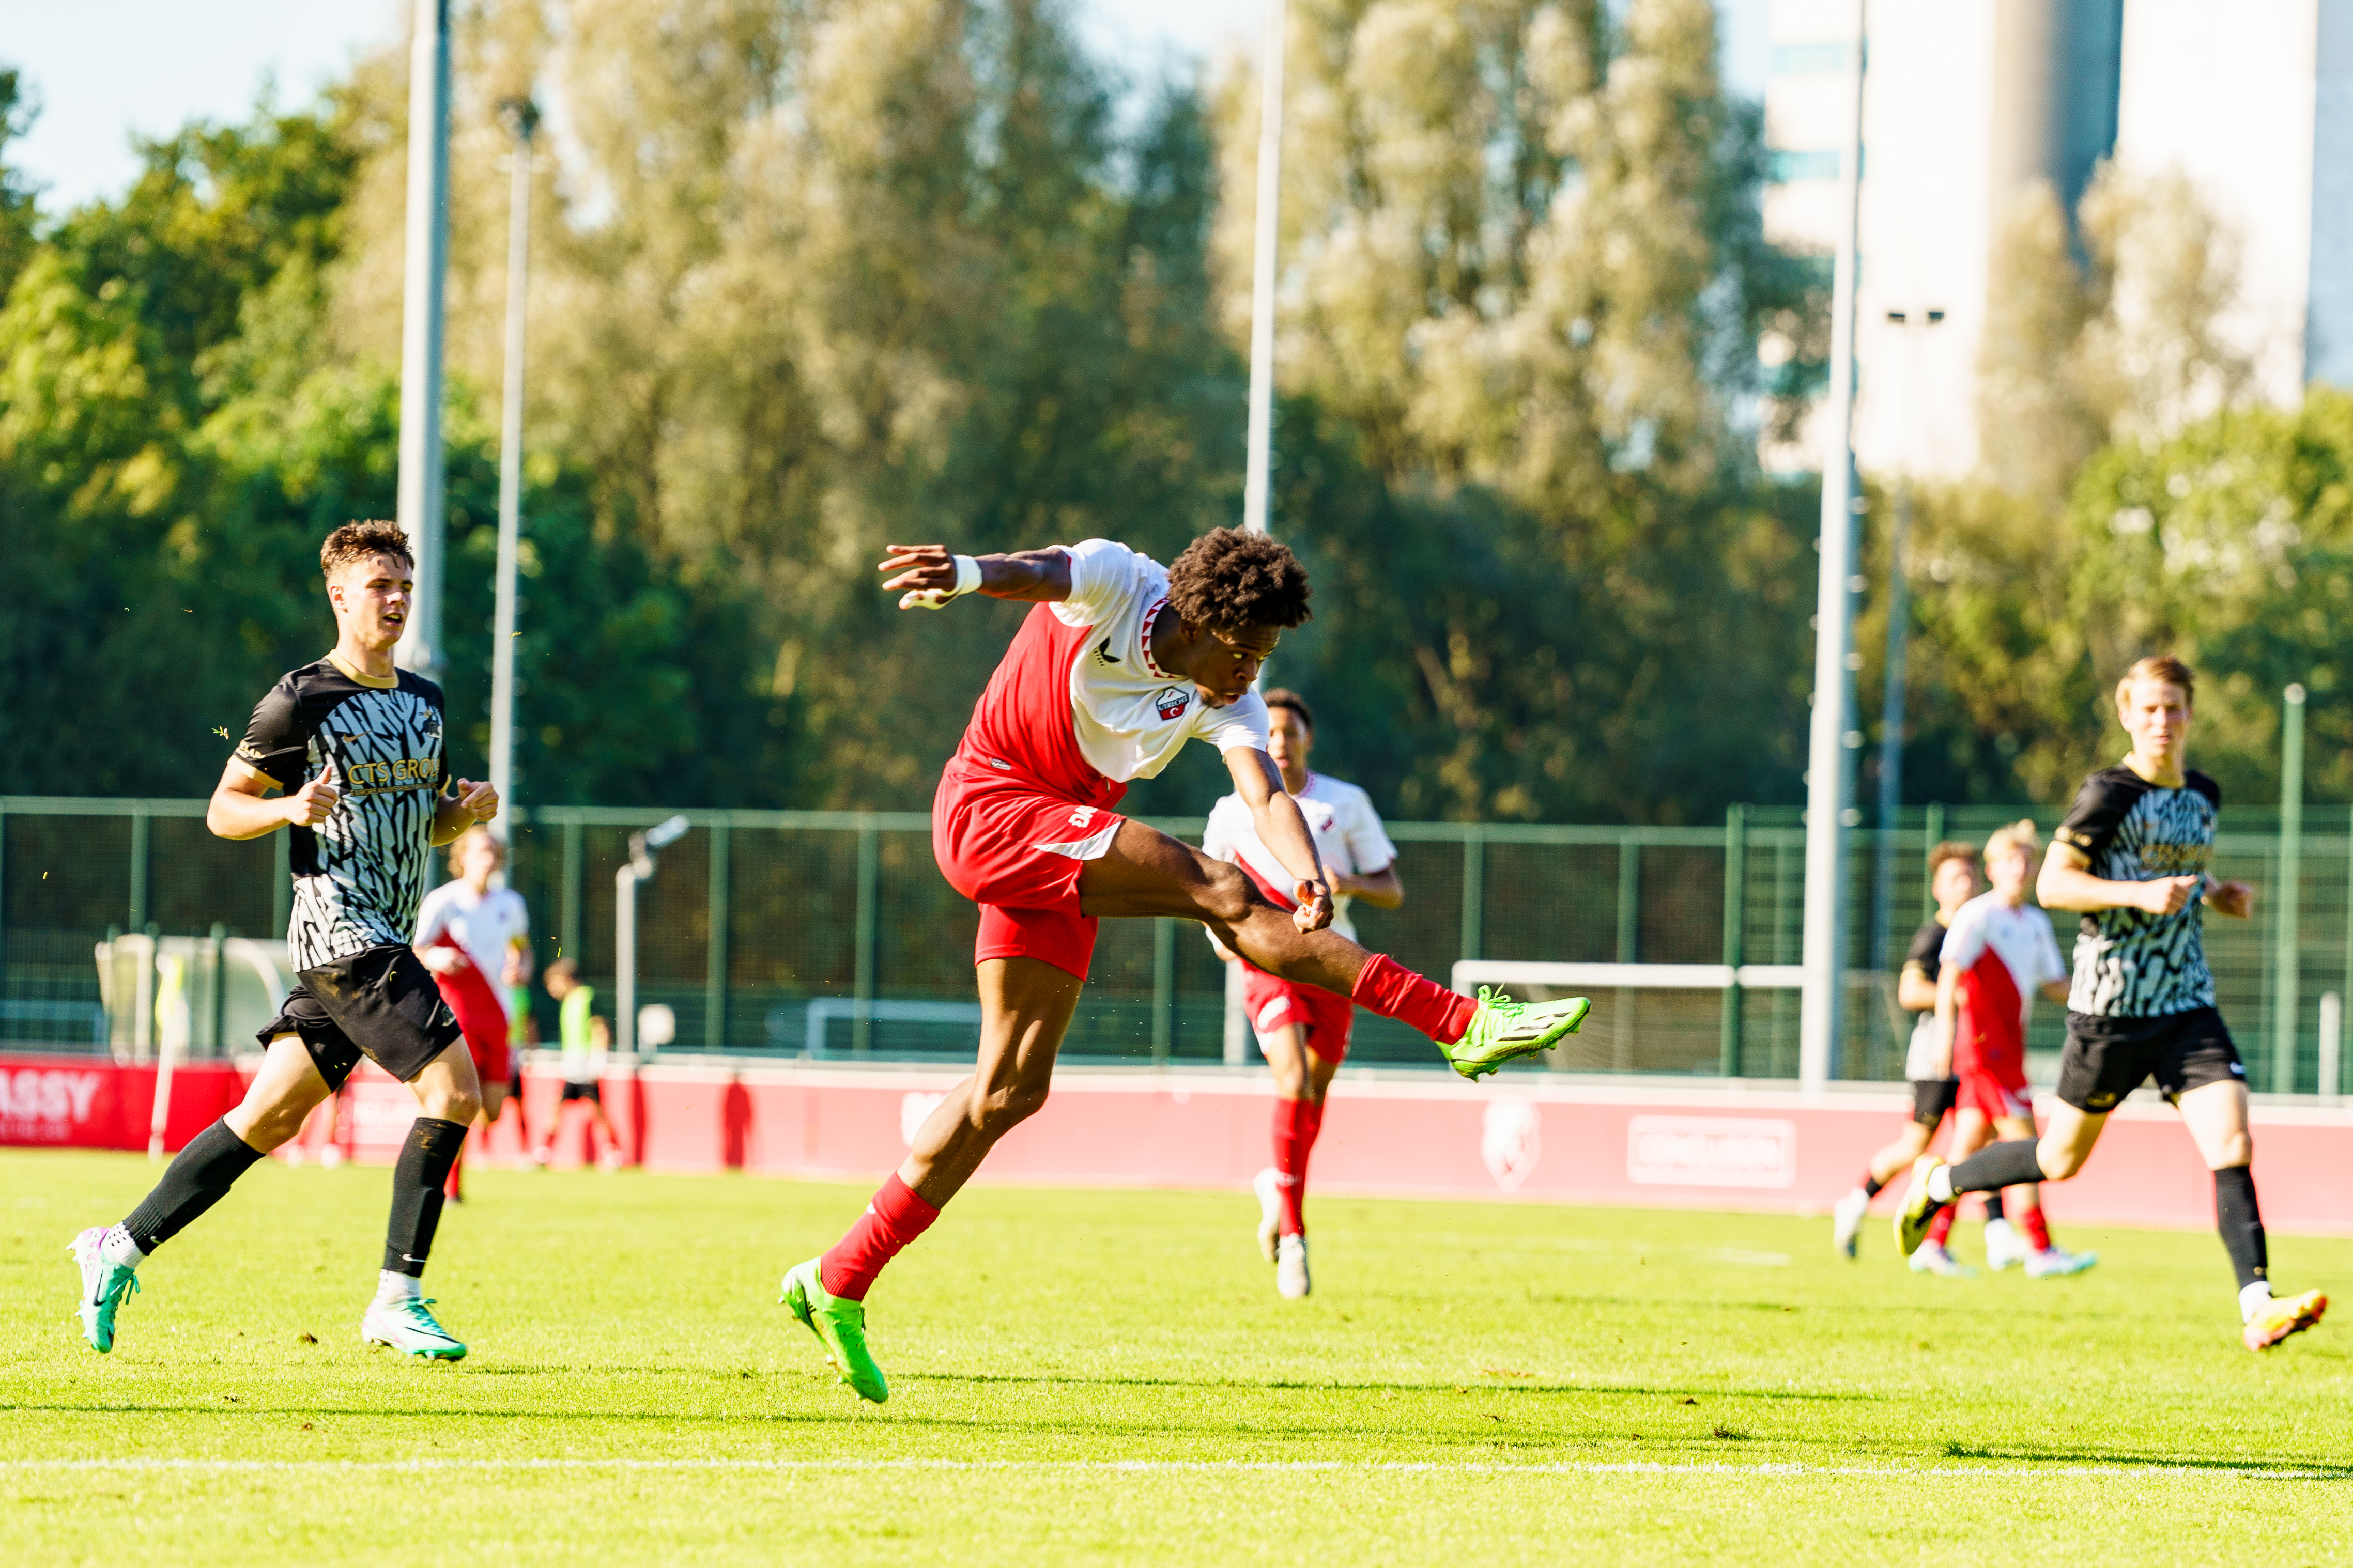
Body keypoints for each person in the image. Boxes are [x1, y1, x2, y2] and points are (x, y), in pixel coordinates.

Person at [779, 531, 1591, 1403]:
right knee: (1220, 890)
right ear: (1196, 621)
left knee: (1009, 1090)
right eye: (1242, 654)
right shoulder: (1120, 581)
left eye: (1264, 657)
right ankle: (1461, 1023)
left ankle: (836, 1280)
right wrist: (966, 577)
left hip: (1057, 835)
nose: (1250, 677)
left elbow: (1266, 795)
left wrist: (1309, 871)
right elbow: (1039, 574)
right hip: (990, 807)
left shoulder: (1224, 699)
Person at [69, 520, 498, 1360]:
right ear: (339, 595)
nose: (397, 599)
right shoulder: (300, 699)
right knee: (454, 1093)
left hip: (369, 940)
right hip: (345, 937)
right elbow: (223, 809)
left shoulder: (426, 702)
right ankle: (395, 1299)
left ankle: (115, 1246)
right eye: (380, 585)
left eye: (404, 584)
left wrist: (465, 815)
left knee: (266, 1119)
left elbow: (423, 825)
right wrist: (286, 808)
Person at [1898, 656, 2326, 1350]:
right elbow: (2056, 885)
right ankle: (1942, 1180)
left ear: (2190, 712)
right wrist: (2135, 896)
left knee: (2232, 1139)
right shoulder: (2106, 793)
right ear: (2128, 714)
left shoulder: (2204, 793)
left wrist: (2216, 892)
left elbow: (2178, 857)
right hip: (2111, 1008)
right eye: (2149, 709)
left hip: (2187, 1001)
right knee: (2060, 1158)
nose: (2162, 721)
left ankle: (2257, 1302)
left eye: (2174, 707)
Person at [1201, 688, 1402, 1299]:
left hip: (1335, 964)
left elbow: (1391, 887)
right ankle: (1294, 1236)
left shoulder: (1345, 803)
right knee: (1291, 1081)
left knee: (1312, 1090)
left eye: (1290, 732)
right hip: (1266, 963)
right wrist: (1227, 943)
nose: (1279, 741)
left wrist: (1353, 884)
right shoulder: (1229, 809)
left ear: (1307, 738)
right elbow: (1209, 897)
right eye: (1271, 732)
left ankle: (1276, 1187)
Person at [1929, 820, 2094, 1278]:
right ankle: (2039, 1247)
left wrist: (2101, 976)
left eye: (2027, 859)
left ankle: (1932, 1240)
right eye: (2010, 860)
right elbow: (1949, 974)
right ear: (1992, 867)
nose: (2020, 868)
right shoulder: (1977, 915)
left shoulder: (2035, 922)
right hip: (1982, 1050)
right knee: (2026, 1144)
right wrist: (1944, 1035)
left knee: (1965, 1150)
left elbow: (2055, 985)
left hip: (2009, 1049)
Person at [1832, 842, 1993, 1266]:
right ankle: (1855, 1201)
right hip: (1936, 1055)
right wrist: (1959, 994)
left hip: (1973, 1054)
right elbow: (1908, 991)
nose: (1967, 883)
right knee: (1915, 1147)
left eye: (1971, 876)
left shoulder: (1979, 929)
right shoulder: (1934, 935)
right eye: (1957, 877)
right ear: (1937, 887)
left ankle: (1958, 1240)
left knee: (1979, 1141)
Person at [414, 825, 533, 1197]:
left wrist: (521, 968)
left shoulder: (510, 903)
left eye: (494, 852)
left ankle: (447, 1138)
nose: (488, 858)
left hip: (499, 1015)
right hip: (456, 1012)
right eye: (480, 851)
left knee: (492, 1109)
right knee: (461, 1101)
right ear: (461, 856)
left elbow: (522, 950)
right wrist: (437, 956)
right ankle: (451, 1185)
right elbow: (415, 950)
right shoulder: (443, 901)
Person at [539, 959, 620, 1168]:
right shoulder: (567, 1002)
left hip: (586, 1065)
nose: (551, 989)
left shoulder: (587, 996)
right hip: (572, 1066)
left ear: (566, 978)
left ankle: (612, 1153)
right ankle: (544, 1153)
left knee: (596, 1110)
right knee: (556, 1106)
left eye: (554, 983)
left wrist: (598, 1060)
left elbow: (600, 1028)